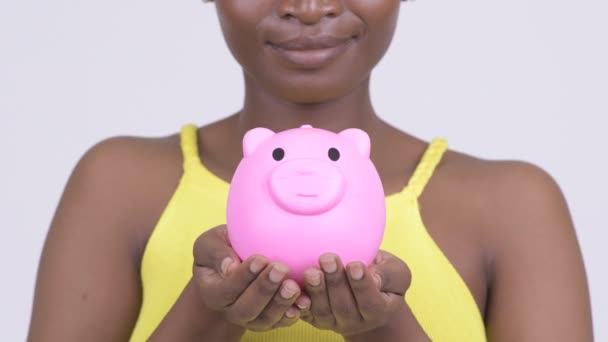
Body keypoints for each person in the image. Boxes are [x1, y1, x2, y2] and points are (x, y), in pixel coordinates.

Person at [27, 1, 593, 341]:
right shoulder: (117, 186)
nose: (309, 4)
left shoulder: (513, 206)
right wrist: (205, 317)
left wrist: (386, 330)